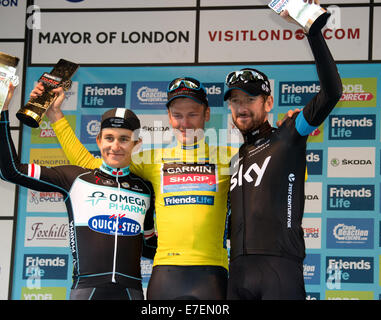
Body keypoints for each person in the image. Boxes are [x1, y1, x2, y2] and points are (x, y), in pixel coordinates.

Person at [35, 78, 236, 299]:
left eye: (193, 114)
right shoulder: (153, 159)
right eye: (177, 115)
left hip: (211, 273)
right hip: (165, 273)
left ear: (207, 114)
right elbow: (91, 164)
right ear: (169, 117)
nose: (184, 123)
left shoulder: (229, 157)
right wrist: (56, 117)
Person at [0, 79, 156, 300]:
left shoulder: (144, 188)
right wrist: (1, 111)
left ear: (136, 144)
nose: (116, 146)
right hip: (87, 291)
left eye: (124, 139)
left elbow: (150, 245)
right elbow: (11, 170)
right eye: (109, 138)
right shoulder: (75, 178)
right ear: (99, 140)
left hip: (132, 293)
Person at [224, 0, 343, 300]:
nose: (241, 108)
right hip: (237, 272)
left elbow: (332, 93)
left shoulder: (290, 134)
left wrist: (312, 32)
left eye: (250, 99)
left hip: (280, 270)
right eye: (235, 101)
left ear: (267, 103)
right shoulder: (235, 160)